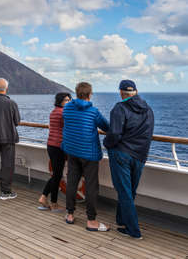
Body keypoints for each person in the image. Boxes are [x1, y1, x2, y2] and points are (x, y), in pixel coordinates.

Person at [104, 80, 154, 239]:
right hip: (140, 155)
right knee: (129, 191)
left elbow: (114, 134)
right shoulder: (148, 109)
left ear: (120, 92)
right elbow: (148, 133)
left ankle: (134, 231)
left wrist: (107, 144)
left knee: (124, 192)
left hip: (122, 154)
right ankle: (122, 220)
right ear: (136, 91)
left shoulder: (120, 108)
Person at [62, 82, 110, 231]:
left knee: (71, 182)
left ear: (76, 93)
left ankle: (69, 214)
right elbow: (107, 127)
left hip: (72, 151)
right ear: (90, 94)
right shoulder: (93, 111)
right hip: (89, 154)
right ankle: (91, 220)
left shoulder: (67, 108)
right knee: (91, 187)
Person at [38, 93, 72, 211]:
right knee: (57, 175)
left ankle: (49, 200)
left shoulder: (54, 111)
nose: (68, 102)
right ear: (60, 101)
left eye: (69, 100)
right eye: (66, 100)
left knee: (56, 175)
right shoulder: (63, 112)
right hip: (58, 147)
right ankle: (49, 200)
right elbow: (70, 126)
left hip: (51, 145)